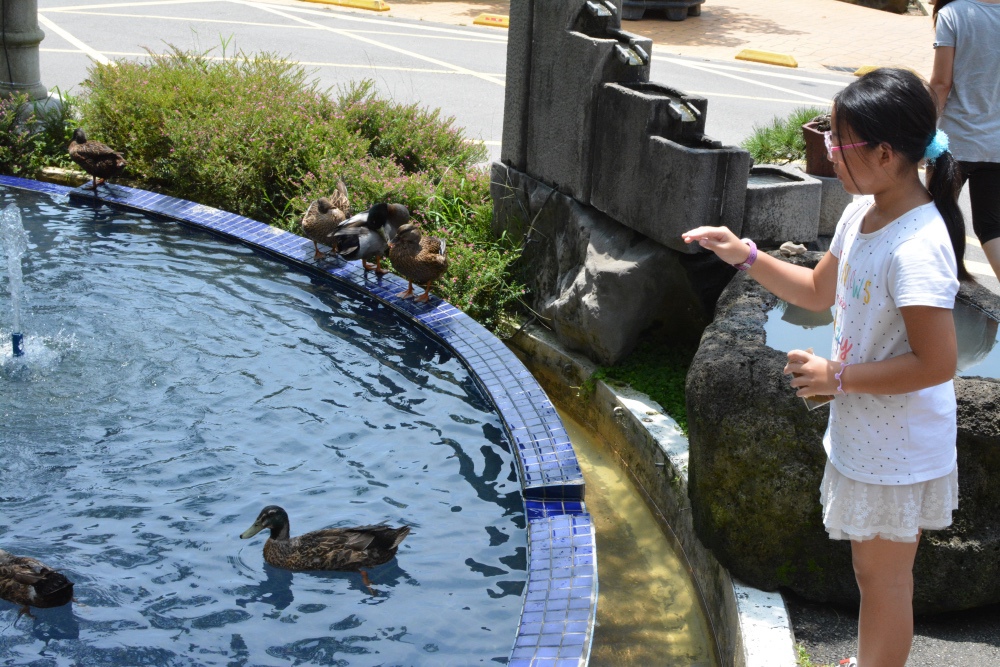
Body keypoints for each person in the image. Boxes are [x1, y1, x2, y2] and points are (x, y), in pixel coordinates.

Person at [682, 68, 969, 667]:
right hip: (872, 428)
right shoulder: (863, 212)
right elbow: (817, 289)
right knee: (872, 571)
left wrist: (838, 378)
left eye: (841, 142)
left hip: (901, 443)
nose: (831, 151)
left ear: (886, 153)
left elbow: (938, 362)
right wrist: (745, 253)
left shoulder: (918, 247)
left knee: (885, 579)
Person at [929, 0, 1000, 279]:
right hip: (997, 147)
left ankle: (933, 291)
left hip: (954, 142)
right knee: (992, 227)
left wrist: (924, 130)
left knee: (935, 216)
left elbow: (941, 83)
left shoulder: (953, 14)